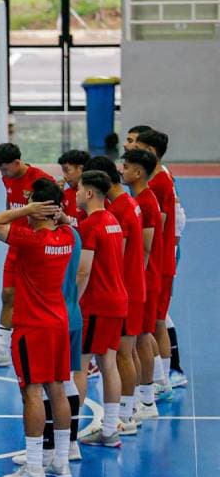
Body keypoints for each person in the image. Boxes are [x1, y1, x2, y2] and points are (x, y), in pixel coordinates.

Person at [0, 179, 76, 477]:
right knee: (57, 389)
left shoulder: (29, 240)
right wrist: (59, 217)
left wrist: (25, 210)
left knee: (31, 392)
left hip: (32, 327)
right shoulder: (67, 237)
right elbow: (74, 227)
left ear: (37, 209)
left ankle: (34, 467)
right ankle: (61, 462)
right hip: (58, 323)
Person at [0, 143, 53, 369]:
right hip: (16, 244)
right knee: (8, 295)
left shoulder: (41, 180)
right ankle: (2, 350)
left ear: (17, 163)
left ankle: (44, 346)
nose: (3, 174)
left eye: (5, 169)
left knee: (38, 300)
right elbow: (11, 208)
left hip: (38, 248)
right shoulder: (7, 177)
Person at [85, 156, 145, 435]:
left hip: (114, 294)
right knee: (121, 354)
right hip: (126, 290)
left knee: (120, 355)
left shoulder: (116, 211)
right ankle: (126, 414)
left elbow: (112, 259)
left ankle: (125, 416)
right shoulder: (125, 207)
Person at [74, 170, 127, 448]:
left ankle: (67, 438)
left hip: (96, 304)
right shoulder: (112, 221)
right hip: (117, 299)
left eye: (79, 189)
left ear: (90, 193)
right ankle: (109, 430)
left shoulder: (91, 225)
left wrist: (70, 301)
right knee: (108, 363)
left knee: (79, 367)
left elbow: (83, 272)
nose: (75, 193)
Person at [134, 129, 181, 398]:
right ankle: (163, 378)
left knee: (154, 323)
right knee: (156, 322)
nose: (129, 149)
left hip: (159, 264)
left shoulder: (158, 185)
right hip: (163, 260)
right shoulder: (161, 177)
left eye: (134, 145)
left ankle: (160, 380)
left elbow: (157, 226)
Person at [121, 149, 165, 422]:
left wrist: (134, 279)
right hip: (144, 279)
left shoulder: (146, 202)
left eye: (125, 166)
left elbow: (146, 248)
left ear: (138, 172)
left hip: (145, 280)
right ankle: (142, 396)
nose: (121, 170)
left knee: (142, 337)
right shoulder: (141, 199)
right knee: (139, 338)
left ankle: (147, 400)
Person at [57, 149, 91, 223]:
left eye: (67, 170)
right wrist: (57, 197)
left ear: (80, 168)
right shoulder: (64, 194)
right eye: (63, 171)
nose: (64, 176)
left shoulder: (94, 195)